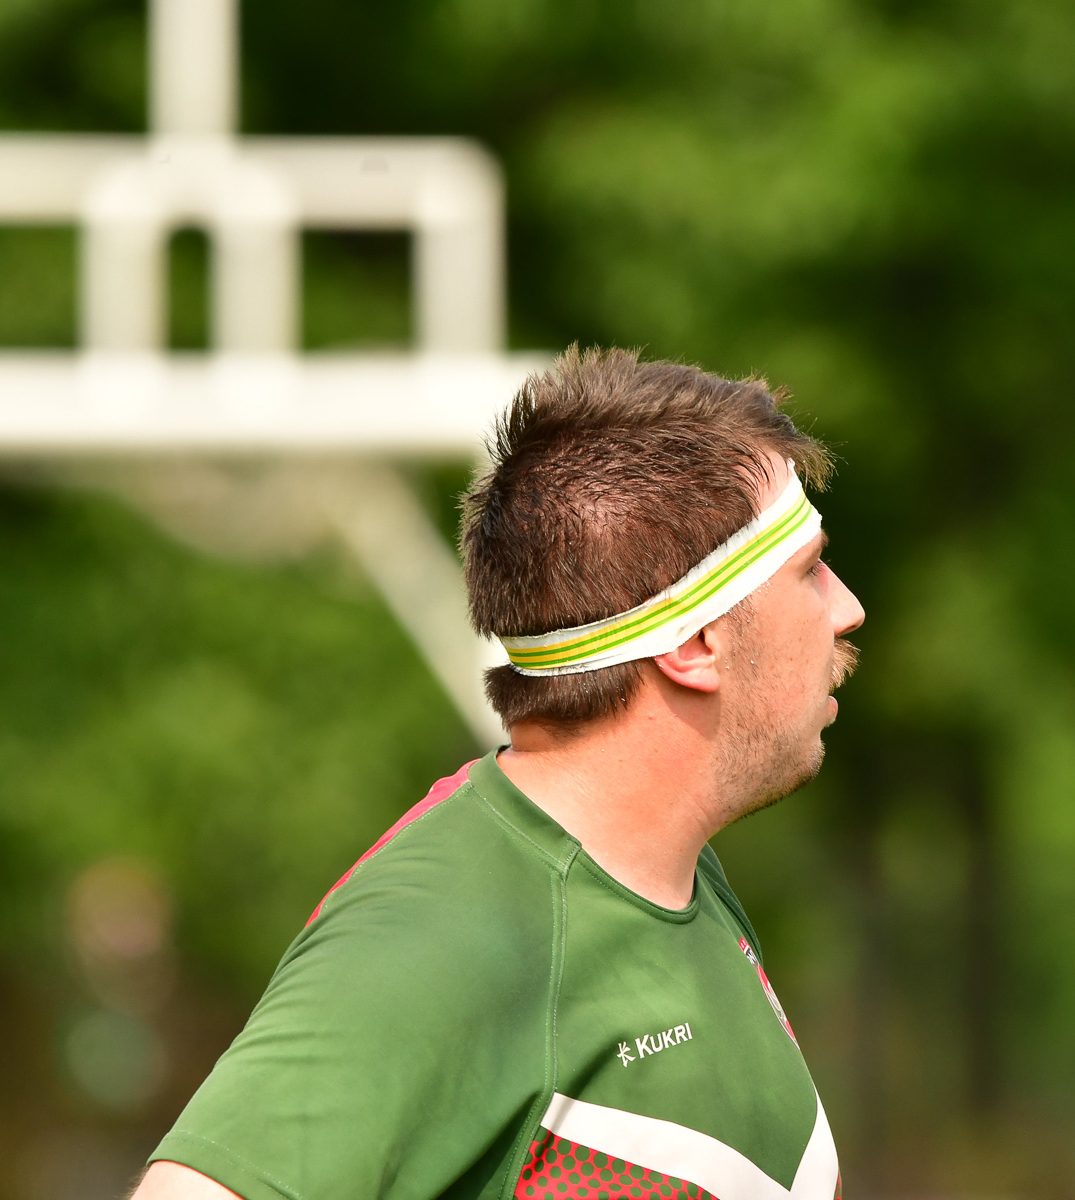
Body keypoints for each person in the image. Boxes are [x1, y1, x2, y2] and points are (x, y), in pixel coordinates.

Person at [132, 347, 866, 1200]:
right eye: (809, 570)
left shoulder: (671, 870)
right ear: (696, 643)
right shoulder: (447, 929)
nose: (846, 606)